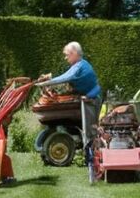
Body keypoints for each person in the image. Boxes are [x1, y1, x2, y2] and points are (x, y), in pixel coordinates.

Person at [37, 42, 102, 174]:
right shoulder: (78, 65)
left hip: (92, 99)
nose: (66, 58)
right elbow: (66, 77)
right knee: (87, 130)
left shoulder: (80, 66)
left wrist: (46, 83)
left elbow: (66, 77)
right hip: (88, 98)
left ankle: (91, 160)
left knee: (90, 131)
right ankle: (88, 157)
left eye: (67, 55)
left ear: (74, 54)